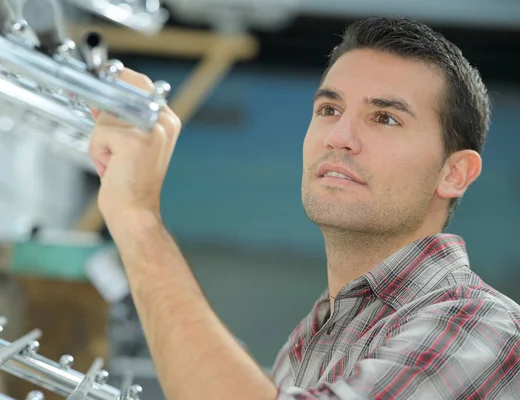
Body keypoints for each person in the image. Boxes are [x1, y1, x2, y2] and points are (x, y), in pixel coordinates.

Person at [87, 16, 520, 400]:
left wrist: (138, 219)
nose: (339, 136)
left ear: (455, 173)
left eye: (385, 117)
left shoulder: (481, 328)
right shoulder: (313, 334)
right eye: (329, 109)